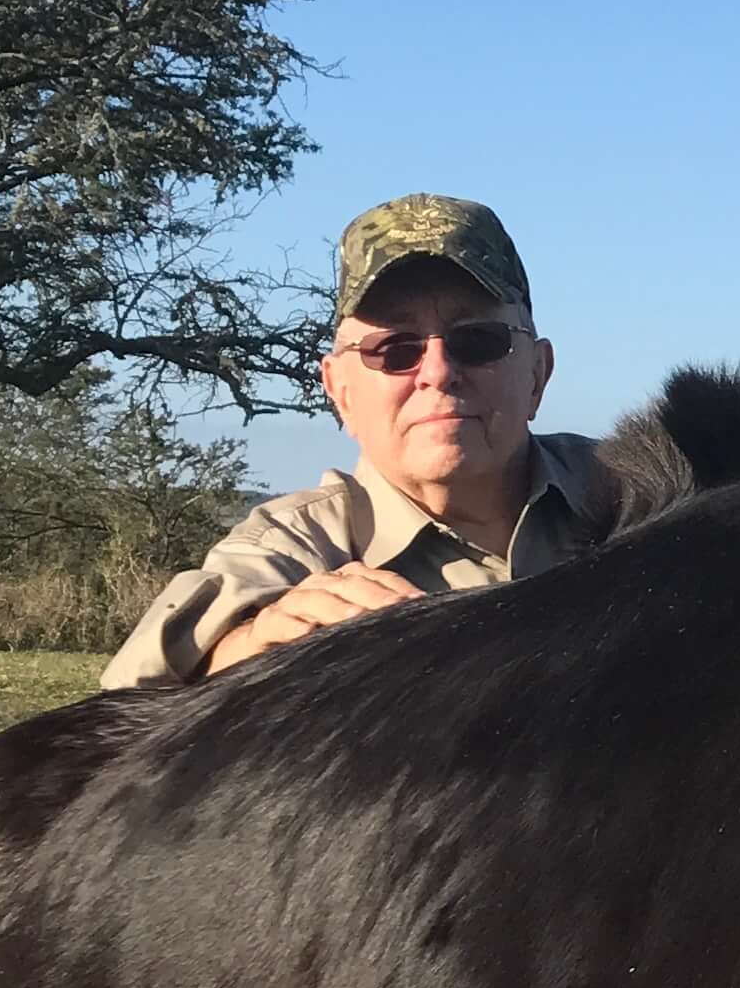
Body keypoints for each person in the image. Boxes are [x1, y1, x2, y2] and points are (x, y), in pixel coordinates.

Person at [101, 194, 616, 688]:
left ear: (537, 374)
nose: (437, 373)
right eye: (394, 350)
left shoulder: (637, 497)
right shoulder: (296, 550)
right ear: (339, 391)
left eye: (478, 341)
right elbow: (126, 710)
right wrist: (249, 649)